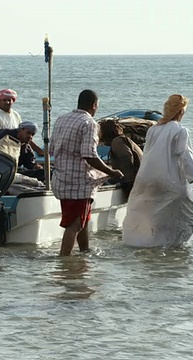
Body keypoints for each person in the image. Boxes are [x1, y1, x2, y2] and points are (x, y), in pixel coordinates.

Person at [122, 94, 193, 248]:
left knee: (153, 216)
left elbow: (147, 153)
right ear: (181, 111)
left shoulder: (153, 130)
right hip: (170, 181)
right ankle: (167, 250)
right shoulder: (181, 131)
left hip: (148, 180)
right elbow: (185, 155)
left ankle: (148, 245)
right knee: (188, 217)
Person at [50, 90, 123, 256]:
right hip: (79, 183)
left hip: (62, 179)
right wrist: (111, 171)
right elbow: (89, 155)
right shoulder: (89, 123)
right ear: (94, 105)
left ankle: (85, 253)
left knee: (82, 221)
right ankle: (64, 261)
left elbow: (52, 149)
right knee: (74, 225)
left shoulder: (62, 119)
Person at [0, 89, 44, 156]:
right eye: (4, 100)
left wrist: (38, 150)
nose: (7, 102)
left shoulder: (16, 115)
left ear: (12, 101)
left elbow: (23, 136)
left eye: (9, 100)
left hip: (11, 149)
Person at [99, 119, 143, 198]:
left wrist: (125, 178)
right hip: (136, 178)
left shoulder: (117, 141)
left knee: (101, 182)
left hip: (130, 181)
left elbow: (127, 157)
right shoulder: (121, 140)